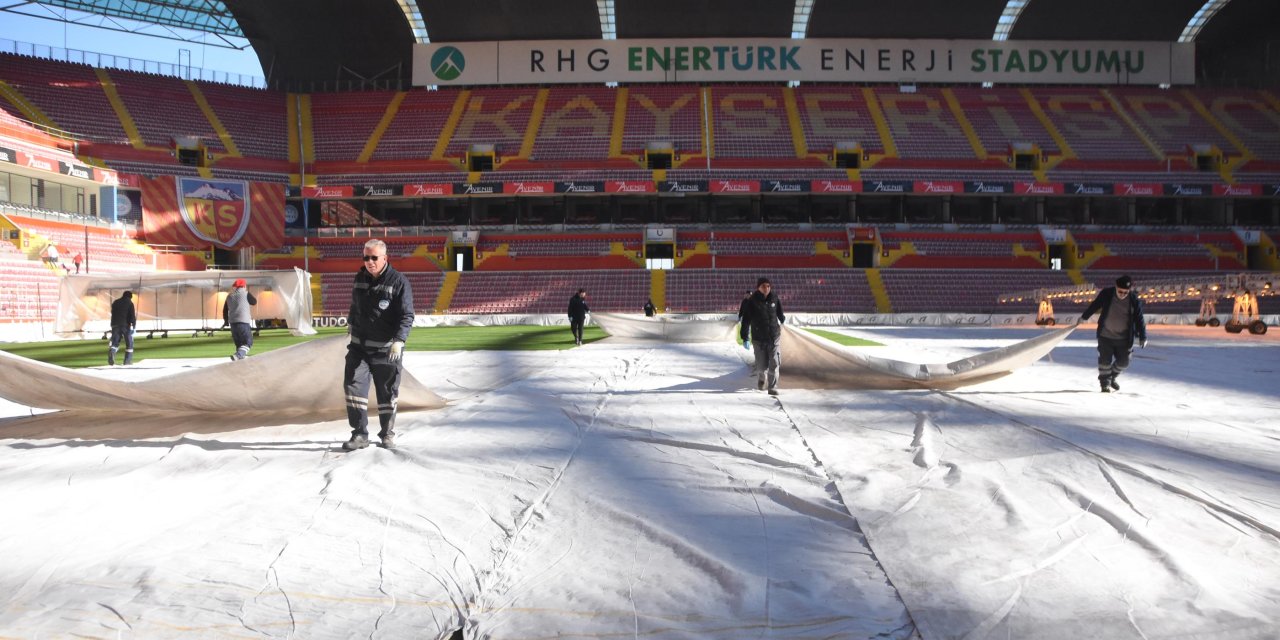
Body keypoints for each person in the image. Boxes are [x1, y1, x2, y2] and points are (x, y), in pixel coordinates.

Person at [343, 239, 414, 451]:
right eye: (366, 257)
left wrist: (399, 341)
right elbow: (355, 305)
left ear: (385, 258)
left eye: (374, 257)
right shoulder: (360, 278)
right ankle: (359, 435)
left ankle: (387, 434)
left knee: (387, 394)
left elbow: (406, 315)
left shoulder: (399, 281)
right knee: (353, 388)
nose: (370, 262)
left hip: (385, 350)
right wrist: (351, 322)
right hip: (359, 349)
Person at [1080, 274, 1147, 393]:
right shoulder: (1107, 293)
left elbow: (1139, 318)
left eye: (1125, 292)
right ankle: (1104, 384)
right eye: (1120, 292)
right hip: (1105, 335)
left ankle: (1112, 377)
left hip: (1124, 338)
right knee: (1104, 361)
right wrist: (1084, 317)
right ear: (1116, 287)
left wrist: (1143, 336)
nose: (1123, 295)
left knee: (1124, 362)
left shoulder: (1133, 300)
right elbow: (1095, 305)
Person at [740, 277, 786, 395]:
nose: (766, 288)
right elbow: (746, 320)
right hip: (758, 339)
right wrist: (745, 337)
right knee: (761, 366)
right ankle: (761, 377)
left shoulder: (775, 298)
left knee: (775, 362)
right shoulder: (752, 301)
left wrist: (783, 320)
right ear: (758, 287)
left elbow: (779, 312)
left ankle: (772, 387)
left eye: (768, 286)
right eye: (763, 286)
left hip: (774, 336)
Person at [222, 278, 257, 361]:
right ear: (244, 286)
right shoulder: (246, 294)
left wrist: (226, 321)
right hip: (243, 321)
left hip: (233, 323)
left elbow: (225, 310)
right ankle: (238, 355)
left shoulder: (229, 296)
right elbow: (254, 302)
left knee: (239, 344)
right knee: (248, 342)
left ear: (235, 287)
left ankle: (239, 360)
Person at [107, 291, 136, 366]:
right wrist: (134, 326)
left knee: (115, 342)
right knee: (129, 343)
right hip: (125, 326)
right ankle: (127, 361)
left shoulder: (115, 302)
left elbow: (113, 312)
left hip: (115, 325)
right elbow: (132, 316)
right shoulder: (130, 303)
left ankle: (112, 351)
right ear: (130, 297)